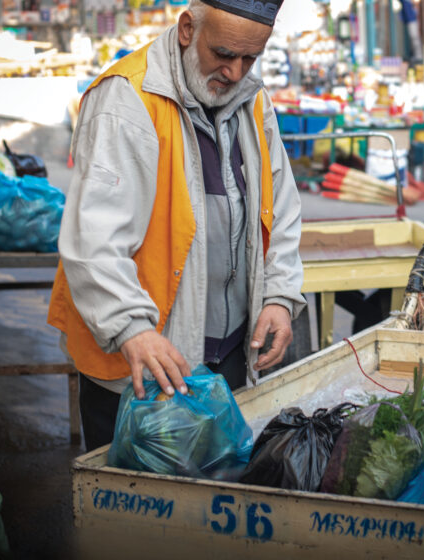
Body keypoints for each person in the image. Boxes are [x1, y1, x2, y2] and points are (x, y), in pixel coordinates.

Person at [48, 0, 307, 450]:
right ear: (187, 29)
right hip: (141, 372)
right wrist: (131, 327)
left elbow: (280, 208)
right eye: (223, 54)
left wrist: (280, 296)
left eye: (250, 58)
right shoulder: (125, 99)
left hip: (227, 361)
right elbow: (93, 240)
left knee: (215, 507)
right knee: (140, 512)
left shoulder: (253, 98)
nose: (234, 72)